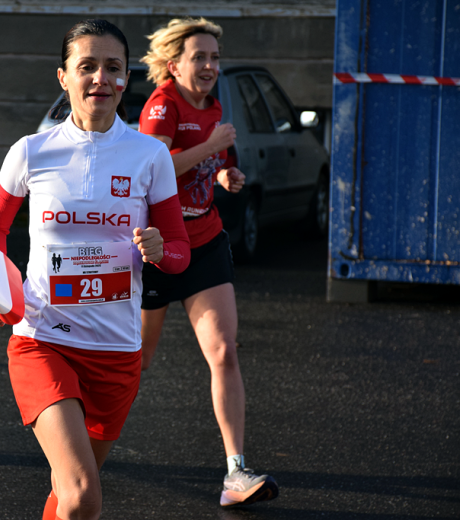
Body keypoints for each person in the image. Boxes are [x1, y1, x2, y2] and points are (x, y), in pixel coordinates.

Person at [0, 19, 190, 520]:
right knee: (81, 495)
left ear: (126, 79)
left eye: (112, 68)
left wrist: (159, 248)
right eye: (87, 66)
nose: (100, 78)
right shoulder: (31, 151)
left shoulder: (150, 155)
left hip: (117, 353)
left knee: (68, 497)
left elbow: (178, 251)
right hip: (43, 340)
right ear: (63, 76)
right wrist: (0, 290)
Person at [138, 17, 278, 507]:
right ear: (174, 64)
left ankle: (235, 473)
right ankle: (84, 442)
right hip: (158, 249)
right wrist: (211, 147)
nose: (211, 66)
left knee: (224, 351)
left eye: (215, 58)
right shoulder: (162, 105)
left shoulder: (213, 104)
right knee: (138, 360)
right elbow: (151, 168)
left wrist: (226, 175)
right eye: (200, 57)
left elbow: (213, 164)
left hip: (207, 243)